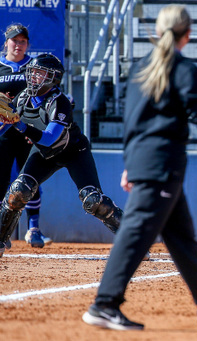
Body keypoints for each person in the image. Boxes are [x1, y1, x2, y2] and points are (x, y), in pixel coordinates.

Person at [82, 5, 197, 331]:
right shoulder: (184, 70)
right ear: (188, 33)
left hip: (148, 161)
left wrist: (131, 164)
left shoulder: (142, 67)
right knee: (134, 234)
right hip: (163, 165)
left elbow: (131, 122)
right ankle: (104, 304)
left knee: (181, 237)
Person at [0, 54, 137, 260]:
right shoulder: (22, 98)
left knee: (94, 201)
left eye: (40, 74)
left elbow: (49, 138)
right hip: (44, 154)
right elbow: (9, 129)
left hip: (74, 152)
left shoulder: (60, 102)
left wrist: (20, 125)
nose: (34, 78)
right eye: (33, 73)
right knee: (18, 191)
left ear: (53, 78)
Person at [0, 24, 51, 248]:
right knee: (1, 181)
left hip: (28, 131)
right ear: (6, 42)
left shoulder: (34, 66)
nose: (18, 45)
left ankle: (34, 229)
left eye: (22, 41)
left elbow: (47, 95)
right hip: (3, 133)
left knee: (30, 179)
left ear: (27, 44)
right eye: (14, 40)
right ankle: (2, 233)